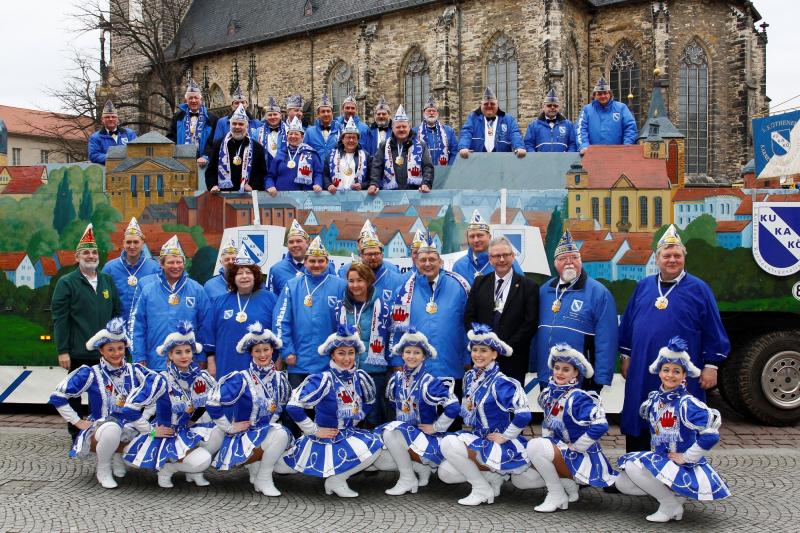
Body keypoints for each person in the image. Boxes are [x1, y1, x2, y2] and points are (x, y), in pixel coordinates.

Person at [618, 226, 730, 452]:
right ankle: (634, 470)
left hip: (679, 373)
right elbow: (629, 323)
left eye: (677, 256)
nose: (672, 260)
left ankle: (675, 472)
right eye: (666, 255)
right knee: (640, 412)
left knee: (676, 418)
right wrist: (626, 356)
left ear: (684, 258)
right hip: (643, 367)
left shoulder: (699, 289)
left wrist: (711, 366)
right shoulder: (644, 286)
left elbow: (712, 329)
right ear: (657, 258)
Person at [615, 337, 730, 522]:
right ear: (659, 373)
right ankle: (673, 497)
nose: (670, 375)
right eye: (666, 370)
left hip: (682, 465)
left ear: (684, 375)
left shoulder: (687, 404)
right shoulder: (654, 400)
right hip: (661, 460)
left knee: (631, 467)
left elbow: (710, 435)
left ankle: (669, 505)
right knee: (623, 483)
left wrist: (687, 457)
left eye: (676, 371)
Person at [283, 324, 383, 497]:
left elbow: (370, 401)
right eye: (341, 353)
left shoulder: (360, 377)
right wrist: (314, 430)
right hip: (326, 437)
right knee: (282, 466)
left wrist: (358, 415)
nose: (346, 358)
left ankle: (336, 480)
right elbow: (293, 406)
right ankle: (259, 469)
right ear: (332, 355)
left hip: (350, 433)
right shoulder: (323, 380)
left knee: (377, 447)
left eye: (350, 353)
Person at [49, 317, 150, 489]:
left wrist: (145, 417)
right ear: (101, 351)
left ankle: (119, 457)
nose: (116, 353)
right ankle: (103, 468)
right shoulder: (91, 373)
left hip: (130, 428)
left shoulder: (136, 372)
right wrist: (77, 421)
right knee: (112, 429)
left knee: (145, 450)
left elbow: (159, 389)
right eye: (110, 349)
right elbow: (58, 396)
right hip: (102, 429)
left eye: (120, 348)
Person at [438, 324, 533, 506]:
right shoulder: (470, 378)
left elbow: (524, 416)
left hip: (498, 444)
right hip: (479, 438)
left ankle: (482, 489)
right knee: (446, 473)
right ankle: (492, 477)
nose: (478, 355)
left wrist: (505, 437)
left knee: (450, 443)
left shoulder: (502, 383)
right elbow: (467, 409)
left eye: (484, 350)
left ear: (494, 354)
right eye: (475, 350)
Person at [120, 322, 222, 488]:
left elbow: (213, 400)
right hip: (166, 434)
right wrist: (151, 431)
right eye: (178, 352)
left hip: (187, 429)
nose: (184, 356)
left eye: (188, 351)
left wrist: (194, 419)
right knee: (203, 460)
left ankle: (193, 472)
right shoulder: (161, 379)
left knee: (219, 432)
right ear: (170, 355)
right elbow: (130, 408)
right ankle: (167, 469)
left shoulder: (200, 376)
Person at [206, 322, 295, 496]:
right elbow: (212, 402)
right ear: (251, 354)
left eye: (266, 349)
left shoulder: (280, 380)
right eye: (257, 351)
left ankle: (258, 469)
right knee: (282, 433)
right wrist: (229, 427)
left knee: (286, 455)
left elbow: (281, 408)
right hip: (243, 437)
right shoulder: (241, 379)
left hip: (264, 434)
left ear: (272, 351)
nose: (263, 354)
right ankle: (263, 477)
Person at [526, 343, 617, 513]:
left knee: (535, 446)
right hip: (561, 449)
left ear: (576, 373)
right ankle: (568, 484)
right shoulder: (549, 394)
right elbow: (548, 422)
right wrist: (549, 442)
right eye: (557, 368)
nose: (559, 373)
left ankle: (556, 494)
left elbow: (601, 425)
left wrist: (577, 446)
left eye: (566, 369)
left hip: (579, 455)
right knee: (522, 481)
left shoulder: (579, 398)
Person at [52, 224, 121, 441]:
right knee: (74, 394)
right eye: (86, 253)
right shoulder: (67, 283)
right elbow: (60, 319)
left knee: (100, 394)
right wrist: (63, 350)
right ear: (77, 257)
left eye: (93, 252)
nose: (91, 256)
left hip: (104, 353)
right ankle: (76, 432)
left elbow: (116, 313)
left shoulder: (107, 281)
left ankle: (98, 432)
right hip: (78, 350)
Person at [373, 327, 460, 495]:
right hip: (404, 436)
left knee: (390, 433)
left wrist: (436, 427)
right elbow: (393, 406)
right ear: (402, 354)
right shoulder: (396, 379)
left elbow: (454, 406)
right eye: (408, 352)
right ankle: (421, 468)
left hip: (425, 438)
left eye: (417, 353)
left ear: (424, 356)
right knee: (381, 461)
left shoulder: (429, 382)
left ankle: (407, 479)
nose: (411, 356)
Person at [534, 230, 617, 393]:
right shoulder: (544, 291)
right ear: (555, 263)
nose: (569, 262)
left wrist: (601, 377)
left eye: (574, 257)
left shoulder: (599, 293)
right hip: (548, 374)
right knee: (551, 416)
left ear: (581, 261)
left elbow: (607, 338)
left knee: (581, 417)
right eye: (563, 258)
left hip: (583, 377)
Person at [390, 231, 470, 384]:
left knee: (451, 409)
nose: (427, 264)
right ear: (416, 262)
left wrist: (468, 359)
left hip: (452, 368)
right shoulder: (404, 291)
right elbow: (396, 331)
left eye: (432, 259)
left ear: (440, 261)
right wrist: (397, 362)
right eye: (423, 260)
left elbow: (468, 325)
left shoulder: (460, 286)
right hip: (415, 371)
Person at [274, 236, 347, 390]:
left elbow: (347, 322)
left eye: (321, 261)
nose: (316, 265)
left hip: (331, 363)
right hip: (298, 361)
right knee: (298, 409)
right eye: (312, 261)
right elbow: (281, 321)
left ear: (327, 262)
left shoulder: (340, 285)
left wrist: (343, 354)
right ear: (305, 262)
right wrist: (287, 351)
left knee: (327, 411)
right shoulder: (292, 285)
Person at [464, 235, 538, 384]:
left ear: (513, 256)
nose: (502, 260)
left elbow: (530, 323)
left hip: (514, 359)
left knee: (510, 404)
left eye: (505, 255)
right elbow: (469, 317)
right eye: (497, 256)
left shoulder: (528, 286)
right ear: (490, 259)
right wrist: (483, 345)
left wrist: (503, 347)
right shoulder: (479, 283)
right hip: (482, 358)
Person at [130, 235, 209, 371]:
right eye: (171, 262)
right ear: (161, 264)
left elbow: (205, 325)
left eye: (179, 262)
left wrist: (201, 356)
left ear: (184, 263)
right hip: (154, 362)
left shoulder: (197, 290)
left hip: (187, 362)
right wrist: (139, 356)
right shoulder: (148, 290)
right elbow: (139, 326)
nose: (176, 266)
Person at [202, 244, 277, 378]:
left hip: (262, 366)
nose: (244, 277)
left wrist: (279, 359)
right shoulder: (220, 301)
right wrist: (210, 361)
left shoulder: (270, 299)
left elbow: (278, 331)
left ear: (255, 276)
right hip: (226, 364)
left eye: (248, 272)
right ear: (232, 277)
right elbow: (209, 332)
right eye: (239, 273)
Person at [333, 262, 392, 426]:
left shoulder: (383, 307)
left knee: (373, 415)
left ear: (368, 281)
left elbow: (390, 338)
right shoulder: (340, 307)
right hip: (346, 370)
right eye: (351, 281)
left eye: (359, 280)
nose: (355, 285)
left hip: (374, 371)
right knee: (349, 413)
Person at [102, 217, 159, 325]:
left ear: (142, 244)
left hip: (144, 325)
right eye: (128, 242)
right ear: (123, 243)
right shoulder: (109, 268)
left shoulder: (155, 268)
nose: (132, 246)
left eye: (136, 242)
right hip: (116, 327)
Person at [368, 105, 434, 193]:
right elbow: (376, 167)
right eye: (398, 127)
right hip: (389, 193)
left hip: (415, 192)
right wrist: (374, 184)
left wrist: (426, 183)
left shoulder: (421, 145)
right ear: (393, 128)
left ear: (409, 127)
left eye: (404, 126)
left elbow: (428, 167)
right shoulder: (384, 145)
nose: (401, 129)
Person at [205, 103, 267, 192]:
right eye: (234, 123)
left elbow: (261, 173)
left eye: (241, 124)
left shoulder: (257, 147)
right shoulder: (218, 145)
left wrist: (253, 186)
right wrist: (212, 185)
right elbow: (211, 170)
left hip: (247, 194)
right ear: (230, 125)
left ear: (247, 126)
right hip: (222, 193)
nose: (237, 127)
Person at [452, 210, 523, 284]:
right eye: (472, 236)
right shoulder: (459, 266)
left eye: (480, 235)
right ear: (467, 239)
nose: (476, 240)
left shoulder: (506, 262)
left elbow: (522, 288)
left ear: (489, 237)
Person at [266, 220, 335, 296]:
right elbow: (273, 300)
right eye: (291, 242)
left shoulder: (326, 267)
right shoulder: (276, 270)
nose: (295, 245)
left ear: (308, 242)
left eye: (299, 241)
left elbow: (335, 293)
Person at [336, 221, 402, 298]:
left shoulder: (393, 270)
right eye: (369, 254)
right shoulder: (345, 270)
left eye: (376, 253)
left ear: (382, 254)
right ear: (361, 253)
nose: (373, 257)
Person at [576, 76, 638, 154]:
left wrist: (627, 146)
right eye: (599, 94)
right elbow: (581, 129)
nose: (603, 96)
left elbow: (630, 128)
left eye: (605, 93)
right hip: (592, 154)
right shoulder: (587, 110)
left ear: (610, 94)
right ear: (595, 95)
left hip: (618, 154)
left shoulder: (621, 108)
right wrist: (584, 146)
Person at [458, 88, 525, 159]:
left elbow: (515, 134)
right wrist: (463, 147)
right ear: (481, 105)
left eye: (492, 104)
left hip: (501, 162)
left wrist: (519, 147)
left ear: (497, 104)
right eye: (486, 104)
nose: (489, 106)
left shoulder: (508, 119)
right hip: (477, 162)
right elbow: (466, 133)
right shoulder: (473, 118)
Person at [166, 79, 219, 168]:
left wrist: (206, 156)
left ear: (201, 99)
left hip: (204, 162)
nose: (193, 100)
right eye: (190, 98)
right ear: (186, 100)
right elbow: (171, 137)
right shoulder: (178, 117)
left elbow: (213, 141)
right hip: (181, 161)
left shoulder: (212, 118)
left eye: (196, 98)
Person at [265, 116, 323, 195]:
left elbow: (318, 173)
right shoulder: (280, 153)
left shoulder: (311, 153)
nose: (293, 136)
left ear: (302, 137)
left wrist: (318, 184)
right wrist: (270, 186)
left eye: (296, 134)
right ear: (287, 136)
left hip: (304, 198)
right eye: (290, 134)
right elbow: (270, 176)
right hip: (281, 197)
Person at [324, 117, 371, 193]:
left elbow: (370, 178)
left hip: (357, 197)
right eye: (348, 137)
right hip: (335, 195)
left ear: (358, 140)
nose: (351, 140)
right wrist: (329, 185)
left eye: (354, 138)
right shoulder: (331, 155)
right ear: (342, 140)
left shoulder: (366, 156)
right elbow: (325, 175)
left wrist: (362, 185)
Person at [88, 100, 137, 164]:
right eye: (107, 117)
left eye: (113, 117)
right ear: (102, 120)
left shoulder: (129, 134)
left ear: (117, 119)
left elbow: (137, 150)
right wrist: (112, 157)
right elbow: (93, 156)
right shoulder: (95, 137)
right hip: (107, 171)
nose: (111, 119)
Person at [417, 95, 458, 167]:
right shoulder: (415, 132)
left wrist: (449, 168)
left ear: (437, 113)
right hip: (423, 173)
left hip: (444, 172)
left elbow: (454, 152)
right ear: (423, 113)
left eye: (434, 111)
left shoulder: (449, 131)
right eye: (429, 111)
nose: (431, 113)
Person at [305, 93, 342, 168]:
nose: (326, 114)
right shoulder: (309, 132)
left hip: (335, 172)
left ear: (332, 113)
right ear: (318, 114)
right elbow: (305, 153)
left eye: (328, 111)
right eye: (323, 111)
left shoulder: (340, 130)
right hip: (315, 171)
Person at [256, 96, 285, 167]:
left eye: (275, 114)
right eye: (269, 115)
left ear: (280, 116)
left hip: (283, 168)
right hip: (264, 169)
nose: (272, 117)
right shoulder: (257, 132)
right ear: (265, 117)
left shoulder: (289, 131)